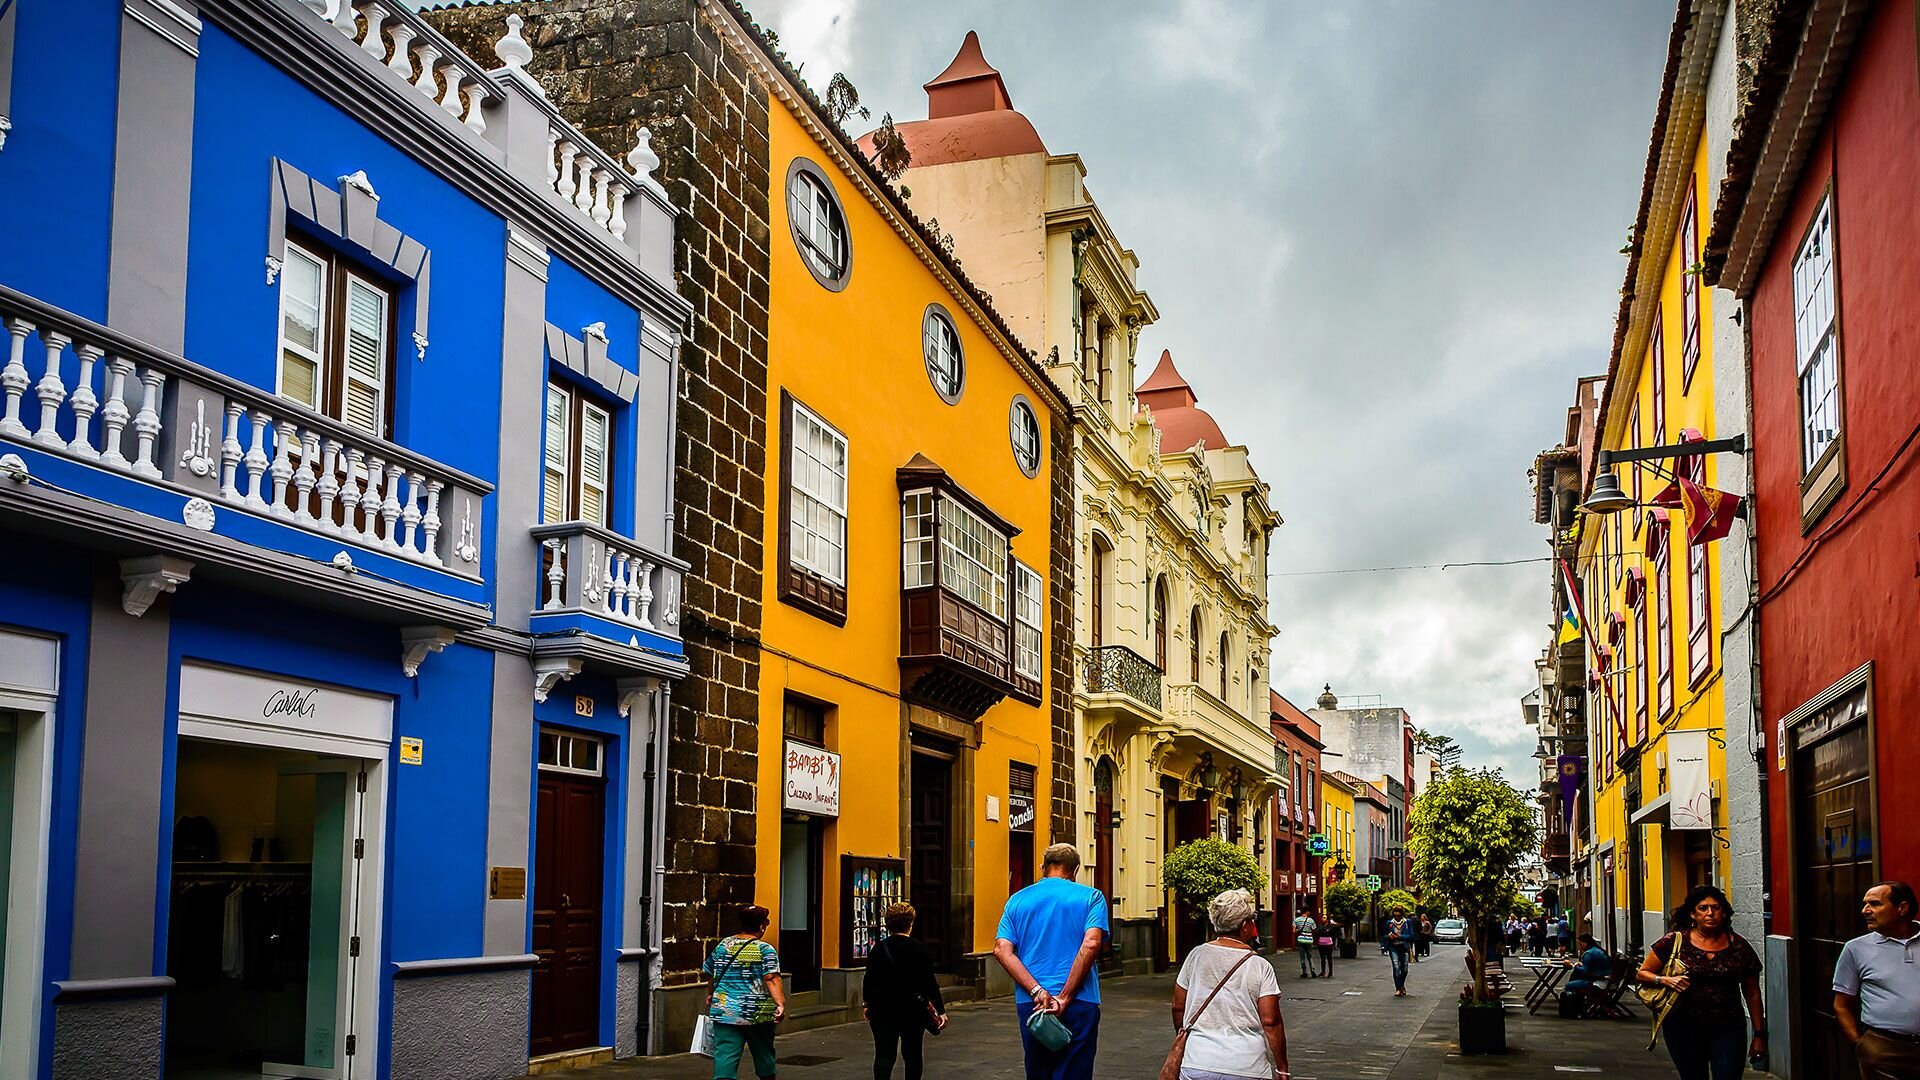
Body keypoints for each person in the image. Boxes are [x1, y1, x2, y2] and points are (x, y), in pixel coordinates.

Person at [993, 843, 1109, 1080]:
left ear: (1042, 867)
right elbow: (1091, 944)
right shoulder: (1092, 898)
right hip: (1079, 1001)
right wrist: (1065, 996)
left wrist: (1036, 990)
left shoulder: (1017, 900)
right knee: (1075, 1071)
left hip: (1033, 1005)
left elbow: (1001, 950)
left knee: (1038, 1071)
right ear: (1075, 870)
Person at [1636, 884, 1764, 1080]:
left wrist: (1759, 1034)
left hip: (1728, 1027)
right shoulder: (1674, 941)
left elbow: (1752, 992)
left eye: (1716, 908)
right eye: (1703, 908)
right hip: (1683, 1027)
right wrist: (1665, 980)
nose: (1710, 913)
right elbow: (1642, 973)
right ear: (1692, 914)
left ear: (1724, 913)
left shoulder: (1739, 947)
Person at [1169, 889, 1289, 1080]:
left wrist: (1187, 1041)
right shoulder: (1260, 966)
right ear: (1245, 926)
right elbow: (1271, 1021)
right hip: (1247, 1066)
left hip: (1198, 1062)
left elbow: (1178, 1006)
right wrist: (1282, 1067)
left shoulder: (1196, 956)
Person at [1832, 880, 1920, 1079]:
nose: (1865, 910)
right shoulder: (1855, 949)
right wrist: (1860, 1045)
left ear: (1902, 908)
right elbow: (1842, 1004)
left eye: (1875, 904)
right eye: (1865, 904)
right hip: (1884, 1049)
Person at [863, 901, 947, 1080]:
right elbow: (930, 983)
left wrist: (867, 1003)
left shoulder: (878, 949)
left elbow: (869, 979)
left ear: (888, 924)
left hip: (882, 1009)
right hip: (912, 1010)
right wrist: (940, 1010)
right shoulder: (920, 949)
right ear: (910, 923)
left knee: (884, 1054)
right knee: (913, 1054)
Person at [703, 904, 787, 1080]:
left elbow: (710, 972)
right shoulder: (765, 949)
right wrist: (780, 1003)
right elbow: (771, 978)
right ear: (762, 926)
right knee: (764, 1052)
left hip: (725, 1011)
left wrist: (711, 993)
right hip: (757, 1012)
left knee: (725, 1055)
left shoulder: (723, 945)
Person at [1563, 932, 1612, 1018]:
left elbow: (1585, 971)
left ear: (1585, 943)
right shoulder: (1598, 950)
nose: (1580, 947)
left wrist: (1573, 965)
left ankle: (1575, 1009)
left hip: (1598, 981)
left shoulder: (1589, 953)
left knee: (1569, 985)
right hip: (1607, 980)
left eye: (1581, 944)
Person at [1382, 904, 1415, 997]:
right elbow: (1384, 935)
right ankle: (1398, 988)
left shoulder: (1407, 922)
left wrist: (1400, 937)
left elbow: (1411, 935)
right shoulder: (1389, 923)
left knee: (1404, 969)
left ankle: (1401, 985)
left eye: (1398, 915)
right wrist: (1389, 936)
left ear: (1402, 914)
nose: (1396, 917)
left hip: (1404, 947)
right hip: (1393, 947)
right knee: (1396, 967)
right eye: (1395, 915)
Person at [1292, 908, 1318, 978]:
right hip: (1309, 940)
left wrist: (1299, 930)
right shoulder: (1311, 920)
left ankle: (1304, 972)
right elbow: (1314, 929)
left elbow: (1293, 931)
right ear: (1307, 912)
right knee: (1310, 956)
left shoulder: (1296, 920)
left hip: (1301, 940)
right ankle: (1312, 970)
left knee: (1302, 957)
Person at [1314, 912, 1339, 978]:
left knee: (1329, 958)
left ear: (1327, 919)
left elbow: (1331, 933)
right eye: (1322, 917)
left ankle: (1330, 972)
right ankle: (1323, 971)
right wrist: (1325, 932)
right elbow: (1317, 932)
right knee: (1322, 958)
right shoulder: (1320, 926)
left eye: (1324, 917)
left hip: (1328, 944)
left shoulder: (1331, 927)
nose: (1323, 919)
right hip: (1321, 944)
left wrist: (1323, 932)